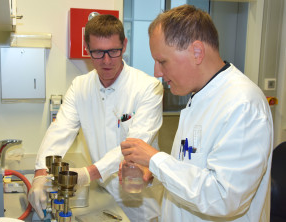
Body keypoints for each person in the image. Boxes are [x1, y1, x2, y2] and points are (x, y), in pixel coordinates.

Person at [121, 4, 273, 222]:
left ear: (197, 52)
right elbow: (193, 171)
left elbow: (224, 198)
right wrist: (154, 173)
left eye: (162, 61)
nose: (157, 72)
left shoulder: (242, 104)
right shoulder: (200, 96)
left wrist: (155, 160)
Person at [28, 14, 163, 222]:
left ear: (124, 45)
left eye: (113, 51)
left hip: (141, 203)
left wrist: (86, 174)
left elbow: (134, 147)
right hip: (103, 197)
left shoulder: (148, 88)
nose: (106, 60)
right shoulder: (80, 87)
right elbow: (60, 129)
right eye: (98, 52)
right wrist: (40, 174)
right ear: (87, 49)